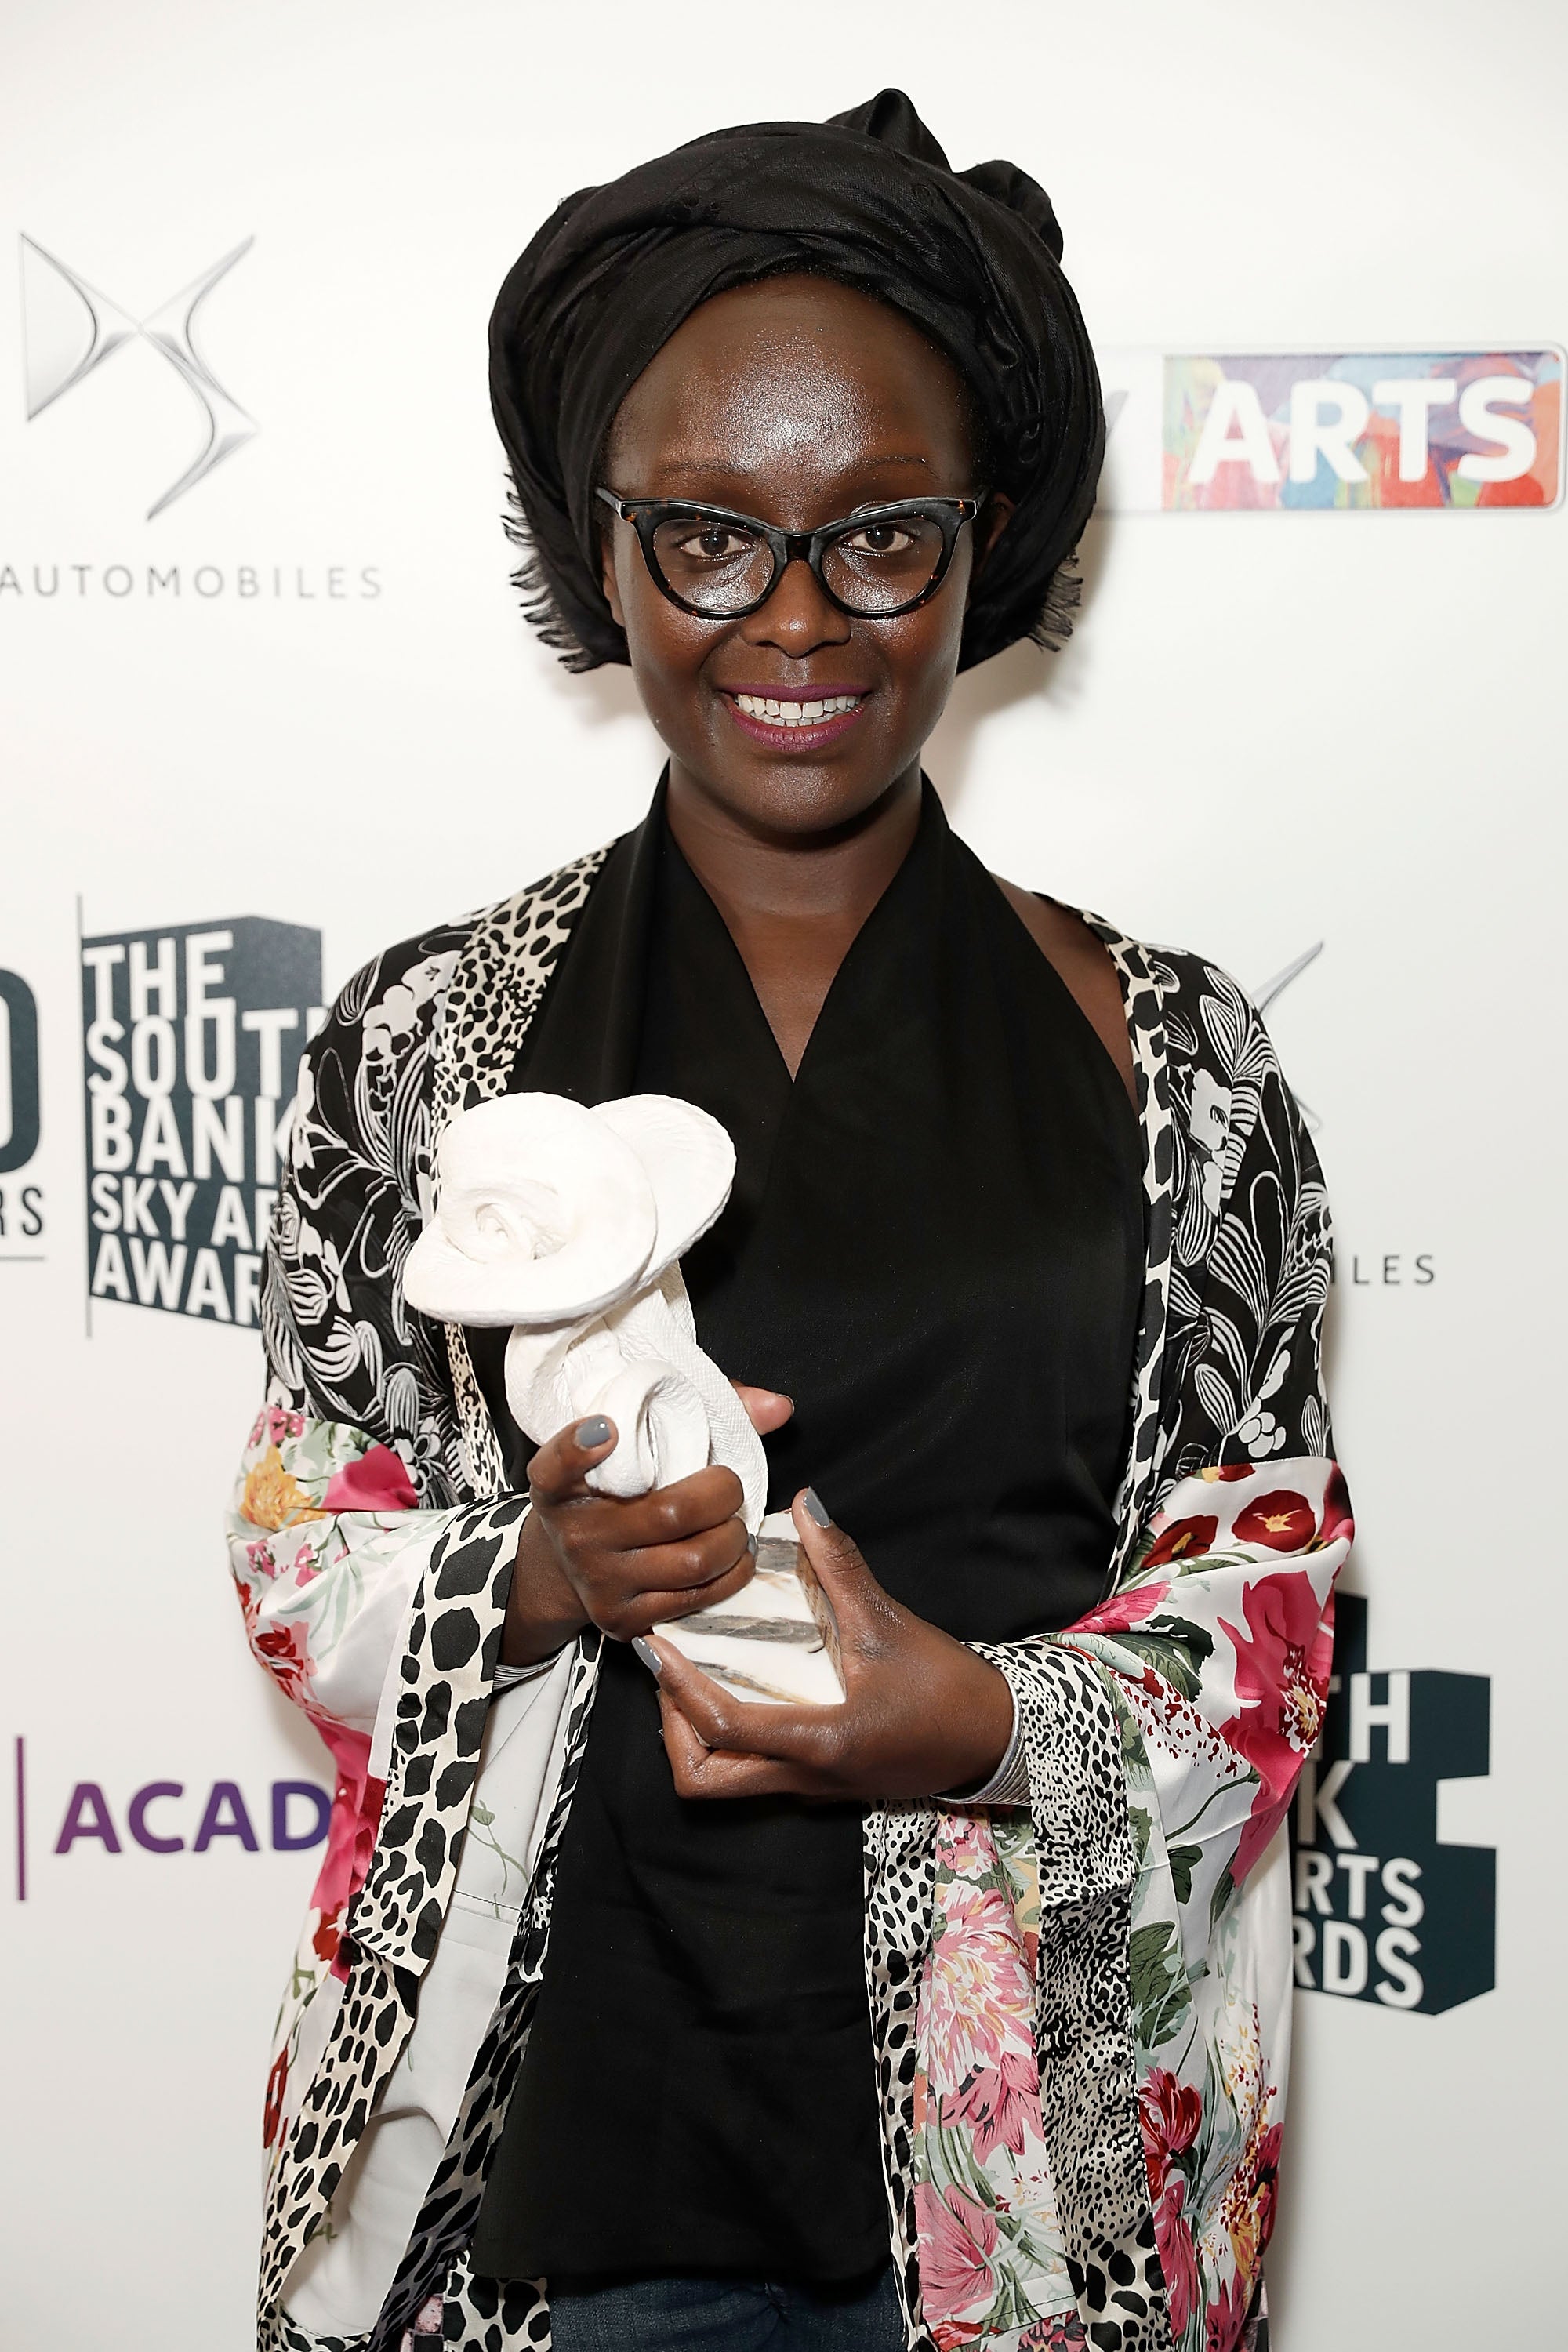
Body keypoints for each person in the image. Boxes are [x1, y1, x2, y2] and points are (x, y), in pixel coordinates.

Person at [229, 91, 1348, 2352]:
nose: (798, 619)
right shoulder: (425, 1040)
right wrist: (528, 1576)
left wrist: (981, 1719)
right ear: (609, 545)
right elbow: (296, 1534)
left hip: (1030, 2189)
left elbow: (1274, 1592)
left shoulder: (1182, 1063)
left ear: (988, 539)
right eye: (712, 538)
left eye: (881, 536)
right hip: (551, 2167)